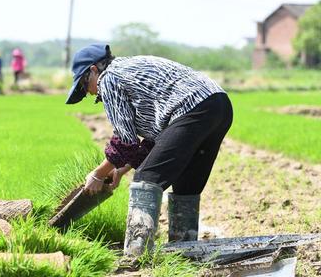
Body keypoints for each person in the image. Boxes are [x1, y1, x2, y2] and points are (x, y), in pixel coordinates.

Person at [65, 44, 232, 259]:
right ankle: (184, 254)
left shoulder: (110, 78)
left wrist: (98, 174)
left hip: (191, 108)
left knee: (146, 178)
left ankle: (136, 254)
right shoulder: (129, 67)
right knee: (186, 183)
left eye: (84, 84)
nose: (88, 92)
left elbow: (124, 141)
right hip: (219, 105)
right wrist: (119, 170)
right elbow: (155, 143)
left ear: (94, 70)